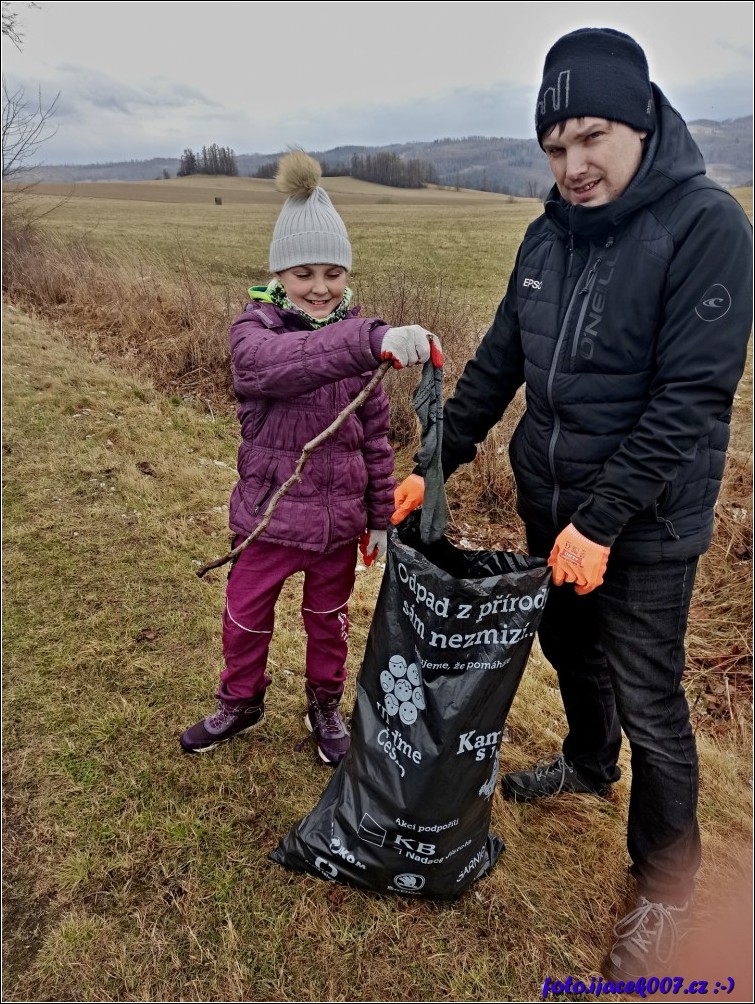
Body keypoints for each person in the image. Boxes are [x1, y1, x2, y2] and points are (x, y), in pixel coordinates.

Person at [392, 27, 753, 980]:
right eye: (554, 147)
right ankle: (589, 767)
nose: (573, 164)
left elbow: (691, 400)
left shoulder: (706, 226)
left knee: (651, 696)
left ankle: (665, 890)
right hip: (552, 501)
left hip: (647, 520)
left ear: (637, 123)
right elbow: (500, 360)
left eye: (590, 136)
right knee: (565, 648)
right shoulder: (546, 233)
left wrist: (602, 523)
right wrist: (440, 458)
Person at [181, 150, 442, 766]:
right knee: (245, 619)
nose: (321, 287)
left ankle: (323, 705)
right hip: (268, 523)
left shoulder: (361, 345)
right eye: (303, 273)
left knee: (330, 624)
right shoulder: (255, 332)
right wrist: (370, 341)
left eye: (333, 272)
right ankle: (240, 701)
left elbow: (375, 442)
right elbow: (285, 364)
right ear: (278, 275)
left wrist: (379, 517)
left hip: (336, 530)